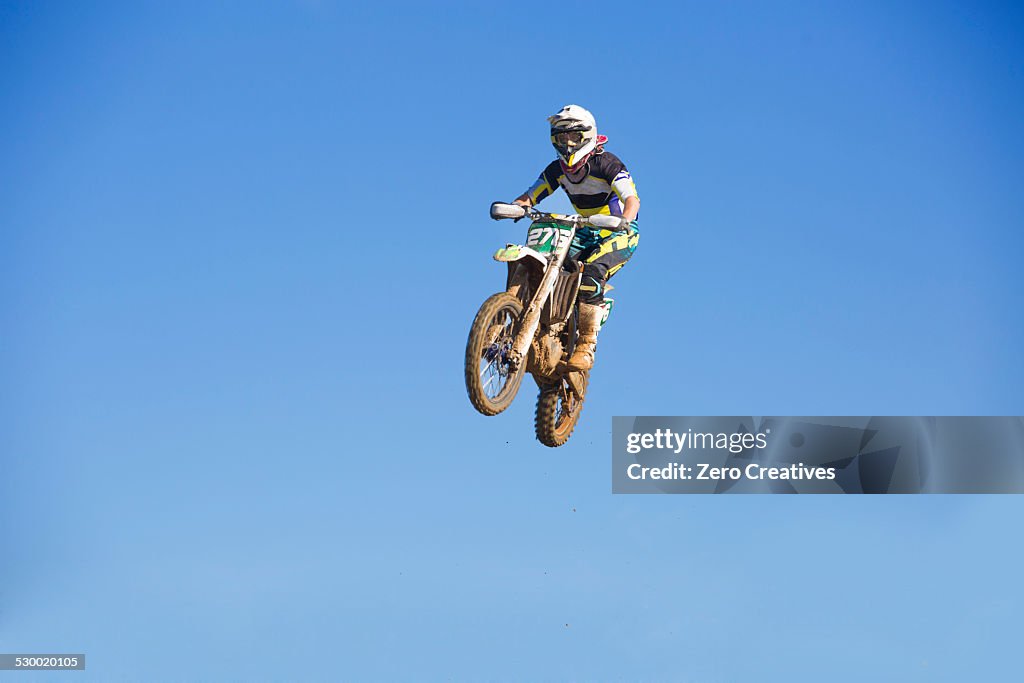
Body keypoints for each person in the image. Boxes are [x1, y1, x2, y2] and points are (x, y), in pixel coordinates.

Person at [510, 104, 640, 371]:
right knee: (549, 263)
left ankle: (586, 345)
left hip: (618, 231)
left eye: (573, 137)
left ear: (588, 135)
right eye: (562, 138)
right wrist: (518, 206)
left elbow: (631, 198)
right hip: (583, 228)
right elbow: (532, 194)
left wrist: (625, 219)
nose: (568, 144)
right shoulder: (557, 169)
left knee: (592, 272)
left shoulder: (607, 163)